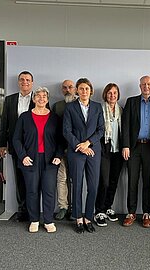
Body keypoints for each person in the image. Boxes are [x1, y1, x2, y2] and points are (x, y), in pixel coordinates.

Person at [13, 87, 63, 233]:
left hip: (50, 160)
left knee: (49, 191)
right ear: (34, 99)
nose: (41, 98)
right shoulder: (24, 117)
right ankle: (34, 220)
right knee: (32, 191)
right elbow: (16, 139)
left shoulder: (55, 118)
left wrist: (58, 156)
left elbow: (61, 140)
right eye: (38, 96)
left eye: (44, 96)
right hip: (30, 159)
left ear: (48, 99)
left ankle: (48, 220)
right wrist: (23, 156)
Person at [121, 75, 150, 228]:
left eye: (149, 84)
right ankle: (131, 213)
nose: (146, 87)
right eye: (144, 84)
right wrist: (125, 145)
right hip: (134, 147)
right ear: (140, 86)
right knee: (132, 180)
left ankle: (146, 212)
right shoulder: (131, 102)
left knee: (147, 180)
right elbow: (125, 125)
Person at [63, 78, 104, 234]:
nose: (84, 91)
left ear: (91, 91)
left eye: (87, 89)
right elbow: (66, 131)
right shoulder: (70, 107)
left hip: (93, 151)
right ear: (76, 91)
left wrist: (88, 143)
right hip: (76, 151)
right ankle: (78, 218)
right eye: (81, 89)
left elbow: (101, 129)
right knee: (77, 185)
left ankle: (88, 217)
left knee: (93, 186)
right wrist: (80, 146)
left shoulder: (97, 107)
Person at [0, 71, 34, 222]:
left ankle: (33, 209)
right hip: (15, 146)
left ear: (32, 83)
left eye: (27, 80)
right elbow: (4, 123)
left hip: (33, 147)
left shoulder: (40, 98)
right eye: (22, 80)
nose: (24, 82)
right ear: (18, 82)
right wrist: (2, 144)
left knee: (33, 179)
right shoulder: (10, 100)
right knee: (19, 180)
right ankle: (23, 209)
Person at [94, 83, 124, 227]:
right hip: (104, 150)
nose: (112, 95)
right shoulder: (99, 110)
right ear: (105, 94)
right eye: (109, 93)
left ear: (118, 95)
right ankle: (98, 211)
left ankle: (107, 208)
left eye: (115, 93)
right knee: (104, 182)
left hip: (118, 151)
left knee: (113, 181)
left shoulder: (121, 110)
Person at [52, 80, 76, 220]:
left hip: (76, 149)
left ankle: (74, 208)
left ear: (76, 89)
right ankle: (63, 207)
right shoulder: (57, 106)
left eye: (70, 87)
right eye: (65, 88)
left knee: (74, 179)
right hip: (60, 148)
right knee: (61, 178)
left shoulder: (81, 104)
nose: (68, 90)